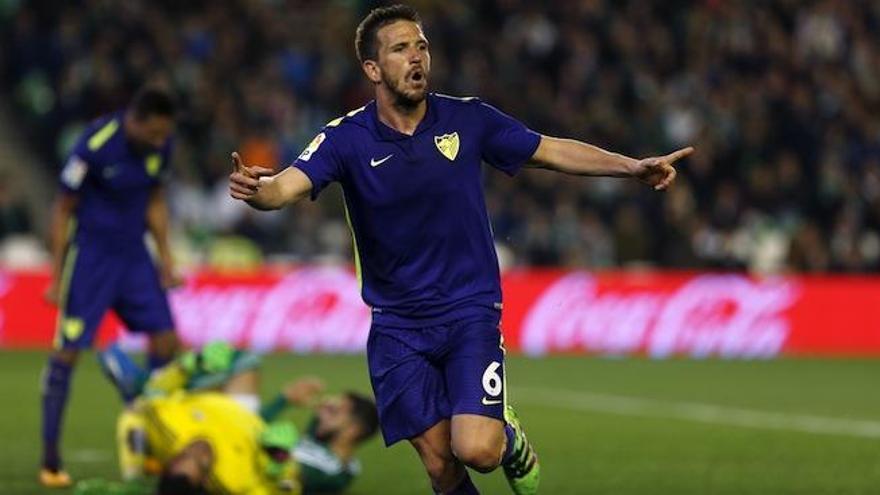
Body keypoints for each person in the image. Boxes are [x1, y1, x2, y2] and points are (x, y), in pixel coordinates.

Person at [228, 5, 692, 494]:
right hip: (396, 325)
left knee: (476, 451)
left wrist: (631, 167)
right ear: (372, 69)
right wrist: (259, 191)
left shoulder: (468, 118)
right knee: (440, 467)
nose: (417, 58)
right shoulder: (346, 138)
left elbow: (549, 150)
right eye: (401, 48)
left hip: (467, 310)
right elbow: (284, 189)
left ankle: (507, 437)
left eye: (422, 46)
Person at [40, 86, 182, 488]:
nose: (159, 141)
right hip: (91, 259)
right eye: (153, 134)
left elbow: (154, 199)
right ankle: (50, 458)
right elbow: (63, 207)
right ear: (133, 121)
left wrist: (167, 260)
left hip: (135, 257)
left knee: (167, 342)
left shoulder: (161, 144)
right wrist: (55, 274)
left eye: (163, 135)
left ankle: (155, 445)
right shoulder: (95, 143)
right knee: (67, 352)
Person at [100, 341, 379, 494]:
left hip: (230, 447)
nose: (319, 409)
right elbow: (261, 436)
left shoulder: (331, 472)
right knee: (245, 365)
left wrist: (277, 454)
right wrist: (284, 401)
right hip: (234, 441)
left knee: (231, 370)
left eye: (332, 410)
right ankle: (150, 386)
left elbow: (280, 470)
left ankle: (143, 385)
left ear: (353, 430)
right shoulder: (320, 448)